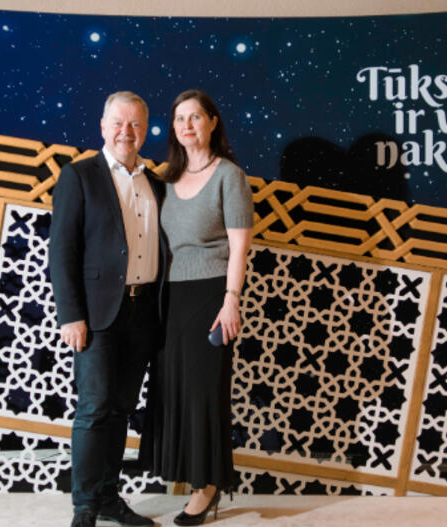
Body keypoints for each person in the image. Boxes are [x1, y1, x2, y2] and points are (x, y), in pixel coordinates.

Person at [49, 91, 164, 527]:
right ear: (103, 126)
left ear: (145, 130)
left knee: (120, 410)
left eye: (134, 124)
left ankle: (110, 499)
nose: (125, 132)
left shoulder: (156, 184)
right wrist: (70, 315)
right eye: (118, 122)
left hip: (142, 315)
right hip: (96, 317)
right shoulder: (79, 176)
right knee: (94, 409)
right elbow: (62, 250)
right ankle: (84, 506)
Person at [139, 89, 253, 526]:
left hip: (212, 295)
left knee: (205, 393)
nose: (186, 125)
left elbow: (240, 248)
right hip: (170, 297)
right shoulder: (165, 179)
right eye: (179, 118)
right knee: (174, 391)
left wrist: (231, 301)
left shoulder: (230, 176)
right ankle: (188, 478)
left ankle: (207, 487)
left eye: (195, 117)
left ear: (212, 122)